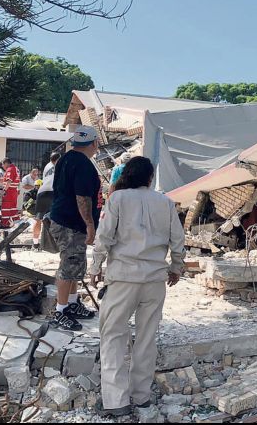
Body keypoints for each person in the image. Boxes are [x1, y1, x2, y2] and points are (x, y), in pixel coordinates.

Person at [90, 156, 185, 418]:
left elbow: (104, 237)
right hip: (154, 280)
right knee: (146, 338)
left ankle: (116, 401)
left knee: (113, 336)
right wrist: (176, 268)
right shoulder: (165, 202)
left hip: (123, 278)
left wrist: (95, 267)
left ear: (127, 175)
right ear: (150, 178)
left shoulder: (117, 199)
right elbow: (178, 240)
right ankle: (141, 396)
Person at [48, 126, 101, 331]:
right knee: (69, 264)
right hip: (71, 222)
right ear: (94, 143)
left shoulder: (66, 158)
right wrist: (90, 224)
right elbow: (82, 197)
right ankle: (60, 310)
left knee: (76, 263)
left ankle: (71, 302)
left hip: (64, 218)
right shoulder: (83, 164)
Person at [33, 152, 61, 250]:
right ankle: (55, 244)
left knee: (38, 219)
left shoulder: (47, 166)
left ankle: (35, 244)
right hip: (53, 193)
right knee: (57, 219)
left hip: (42, 192)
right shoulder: (59, 167)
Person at [0, 158, 21, 227]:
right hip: (14, 191)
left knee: (5, 207)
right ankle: (16, 221)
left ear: (6, 163)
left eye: (3, 164)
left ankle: (5, 223)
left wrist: (4, 190)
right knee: (12, 207)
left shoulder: (10, 169)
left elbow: (9, 181)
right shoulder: (16, 168)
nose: (2, 166)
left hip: (9, 191)